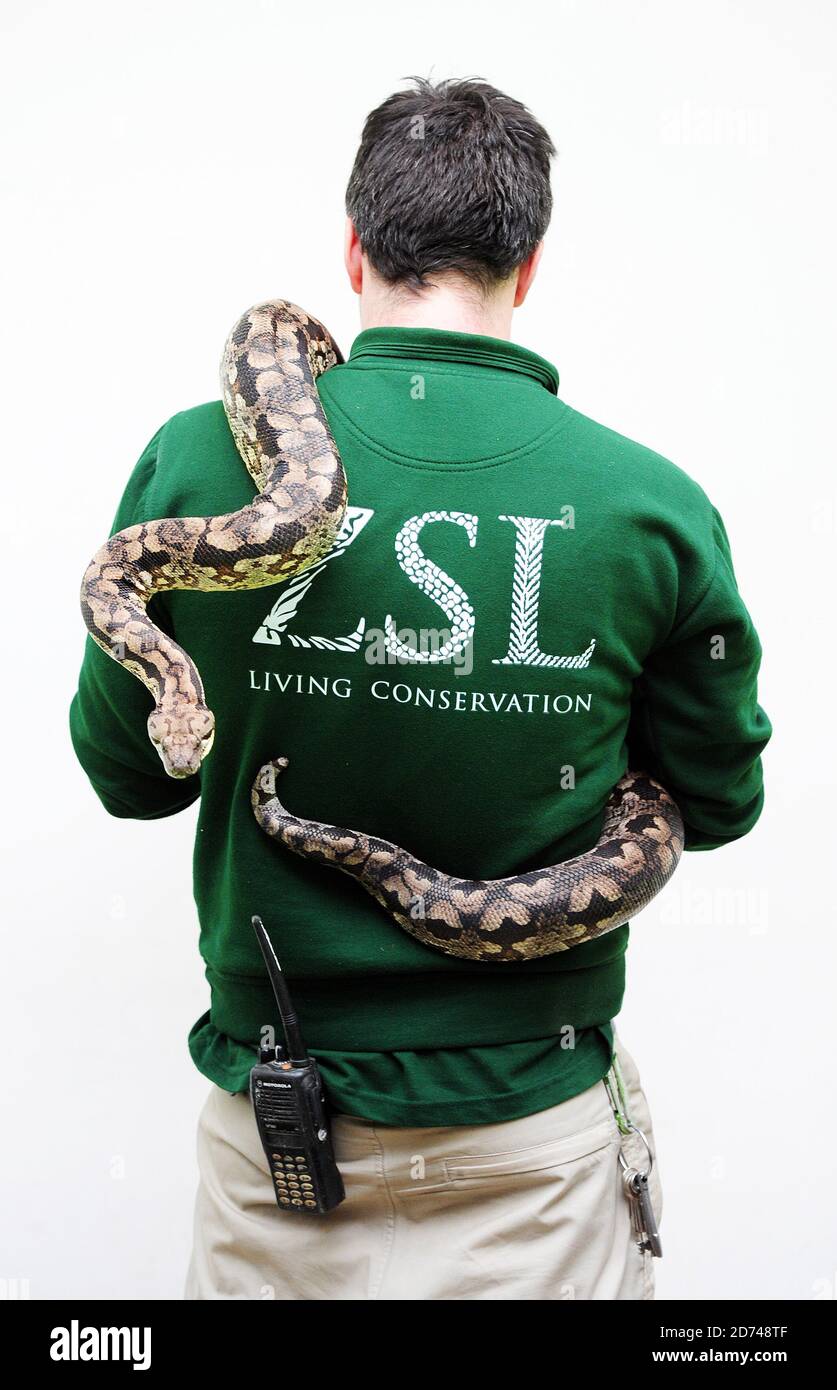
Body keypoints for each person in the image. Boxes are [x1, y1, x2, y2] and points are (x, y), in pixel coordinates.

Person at [69, 77, 771, 1301]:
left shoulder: (189, 461)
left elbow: (131, 776)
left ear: (354, 248)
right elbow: (715, 800)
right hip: (536, 1163)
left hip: (275, 1159)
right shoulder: (653, 503)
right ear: (531, 263)